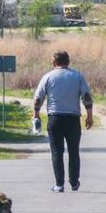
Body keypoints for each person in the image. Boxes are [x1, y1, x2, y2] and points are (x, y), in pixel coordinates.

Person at [33, 50, 94, 192]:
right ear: (68, 62)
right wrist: (89, 115)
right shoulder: (77, 76)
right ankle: (74, 182)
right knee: (74, 151)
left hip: (55, 118)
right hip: (73, 119)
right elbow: (86, 96)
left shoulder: (48, 77)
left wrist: (36, 114)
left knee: (56, 151)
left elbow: (38, 98)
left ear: (53, 63)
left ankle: (59, 184)